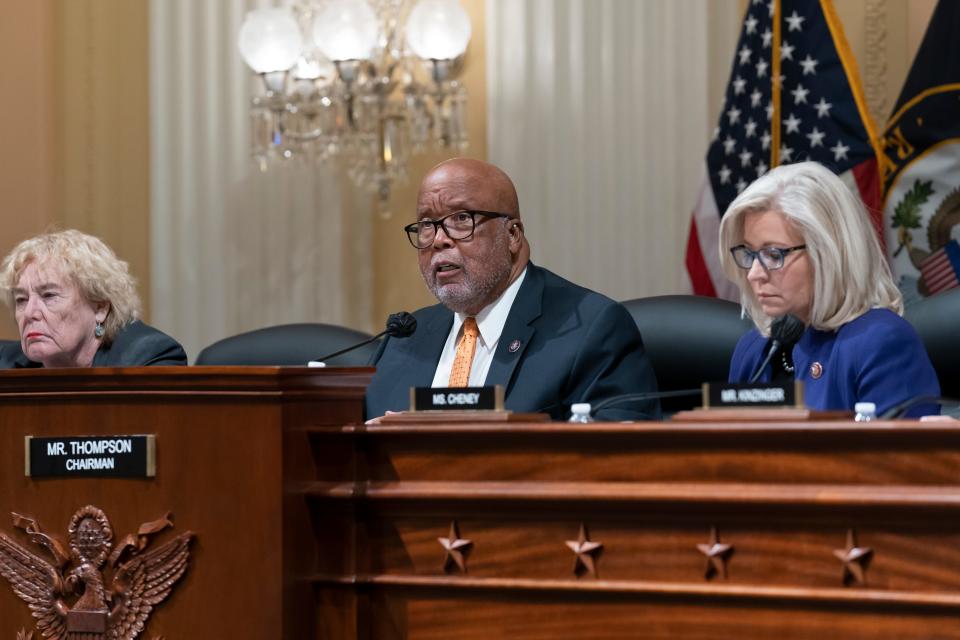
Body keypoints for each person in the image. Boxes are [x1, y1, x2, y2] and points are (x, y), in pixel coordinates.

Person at [365, 158, 660, 421]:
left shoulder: (591, 330)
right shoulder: (403, 340)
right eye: (427, 224)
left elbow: (619, 460)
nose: (440, 239)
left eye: (461, 219)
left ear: (512, 235)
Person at [720, 161, 939, 417]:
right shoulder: (754, 351)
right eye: (749, 253)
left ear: (827, 255)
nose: (755, 274)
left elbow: (900, 456)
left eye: (772, 254)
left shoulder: (881, 342)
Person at [0, 230, 187, 368]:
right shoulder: (5, 363)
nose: (30, 313)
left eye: (49, 296)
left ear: (100, 308)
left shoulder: (148, 357)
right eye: (21, 300)